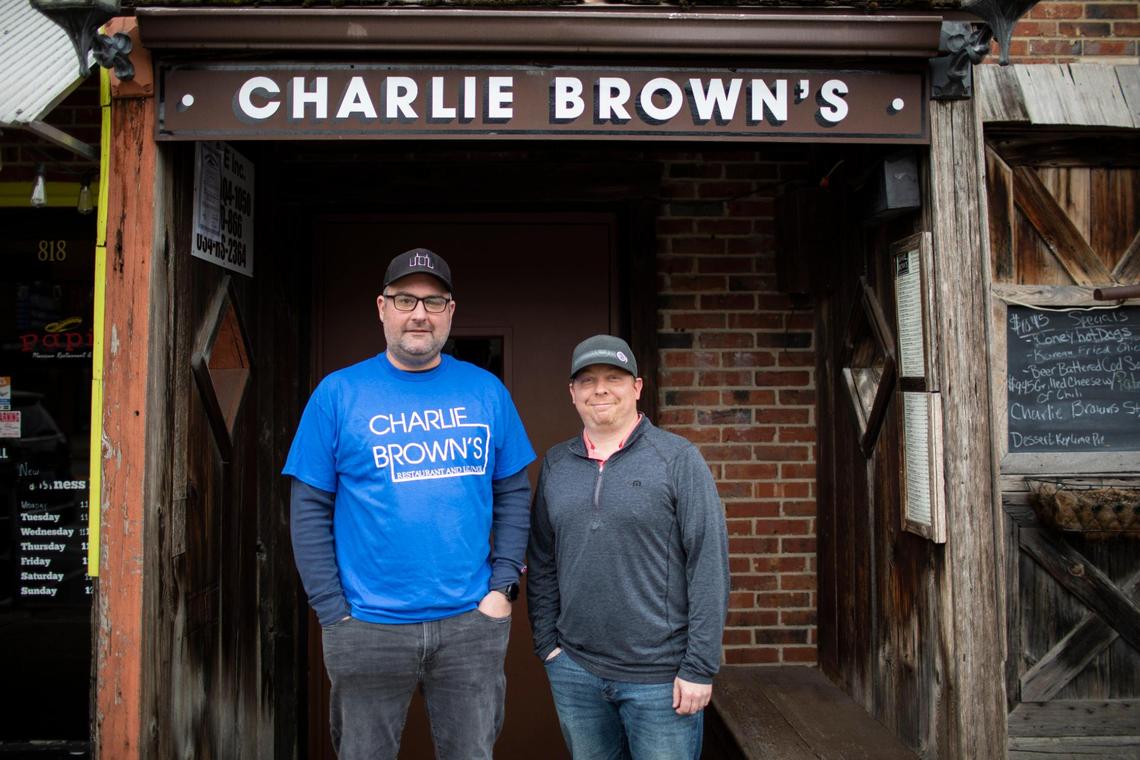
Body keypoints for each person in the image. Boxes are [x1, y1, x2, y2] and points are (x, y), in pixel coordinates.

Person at [283, 248, 535, 760]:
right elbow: (308, 507)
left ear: (450, 311)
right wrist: (332, 610)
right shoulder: (338, 394)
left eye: (433, 301)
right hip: (366, 625)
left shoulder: (487, 391)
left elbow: (513, 493)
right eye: (405, 299)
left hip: (471, 623)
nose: (419, 313)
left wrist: (503, 588)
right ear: (382, 307)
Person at [527, 335, 730, 760]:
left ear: (637, 387)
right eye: (587, 380)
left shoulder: (677, 460)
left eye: (613, 378)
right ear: (572, 393)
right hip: (575, 670)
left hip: (661, 678)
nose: (599, 389)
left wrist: (699, 667)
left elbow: (708, 565)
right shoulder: (556, 464)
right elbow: (543, 560)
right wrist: (548, 644)